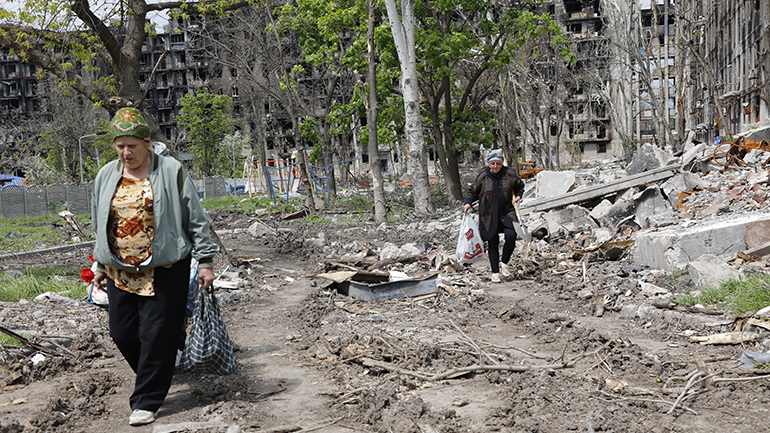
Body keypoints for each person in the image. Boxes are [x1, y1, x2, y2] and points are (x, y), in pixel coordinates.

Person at [91, 107, 219, 427]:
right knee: (121, 332)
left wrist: (205, 261)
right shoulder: (107, 175)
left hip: (165, 267)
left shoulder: (170, 170)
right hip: (120, 270)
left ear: (147, 143)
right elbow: (100, 223)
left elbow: (195, 217)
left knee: (155, 335)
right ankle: (161, 363)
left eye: (132, 145)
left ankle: (146, 400)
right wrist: (99, 265)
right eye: (120, 145)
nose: (126, 152)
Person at [463, 149, 525, 283]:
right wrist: (468, 202)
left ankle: (505, 264)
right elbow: (472, 191)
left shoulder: (510, 174)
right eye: (492, 164)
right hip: (488, 214)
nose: (495, 166)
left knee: (511, 235)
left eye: (498, 163)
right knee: (493, 242)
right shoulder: (483, 176)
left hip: (507, 211)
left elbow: (520, 186)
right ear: (489, 164)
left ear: (502, 163)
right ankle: (495, 273)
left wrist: (519, 196)